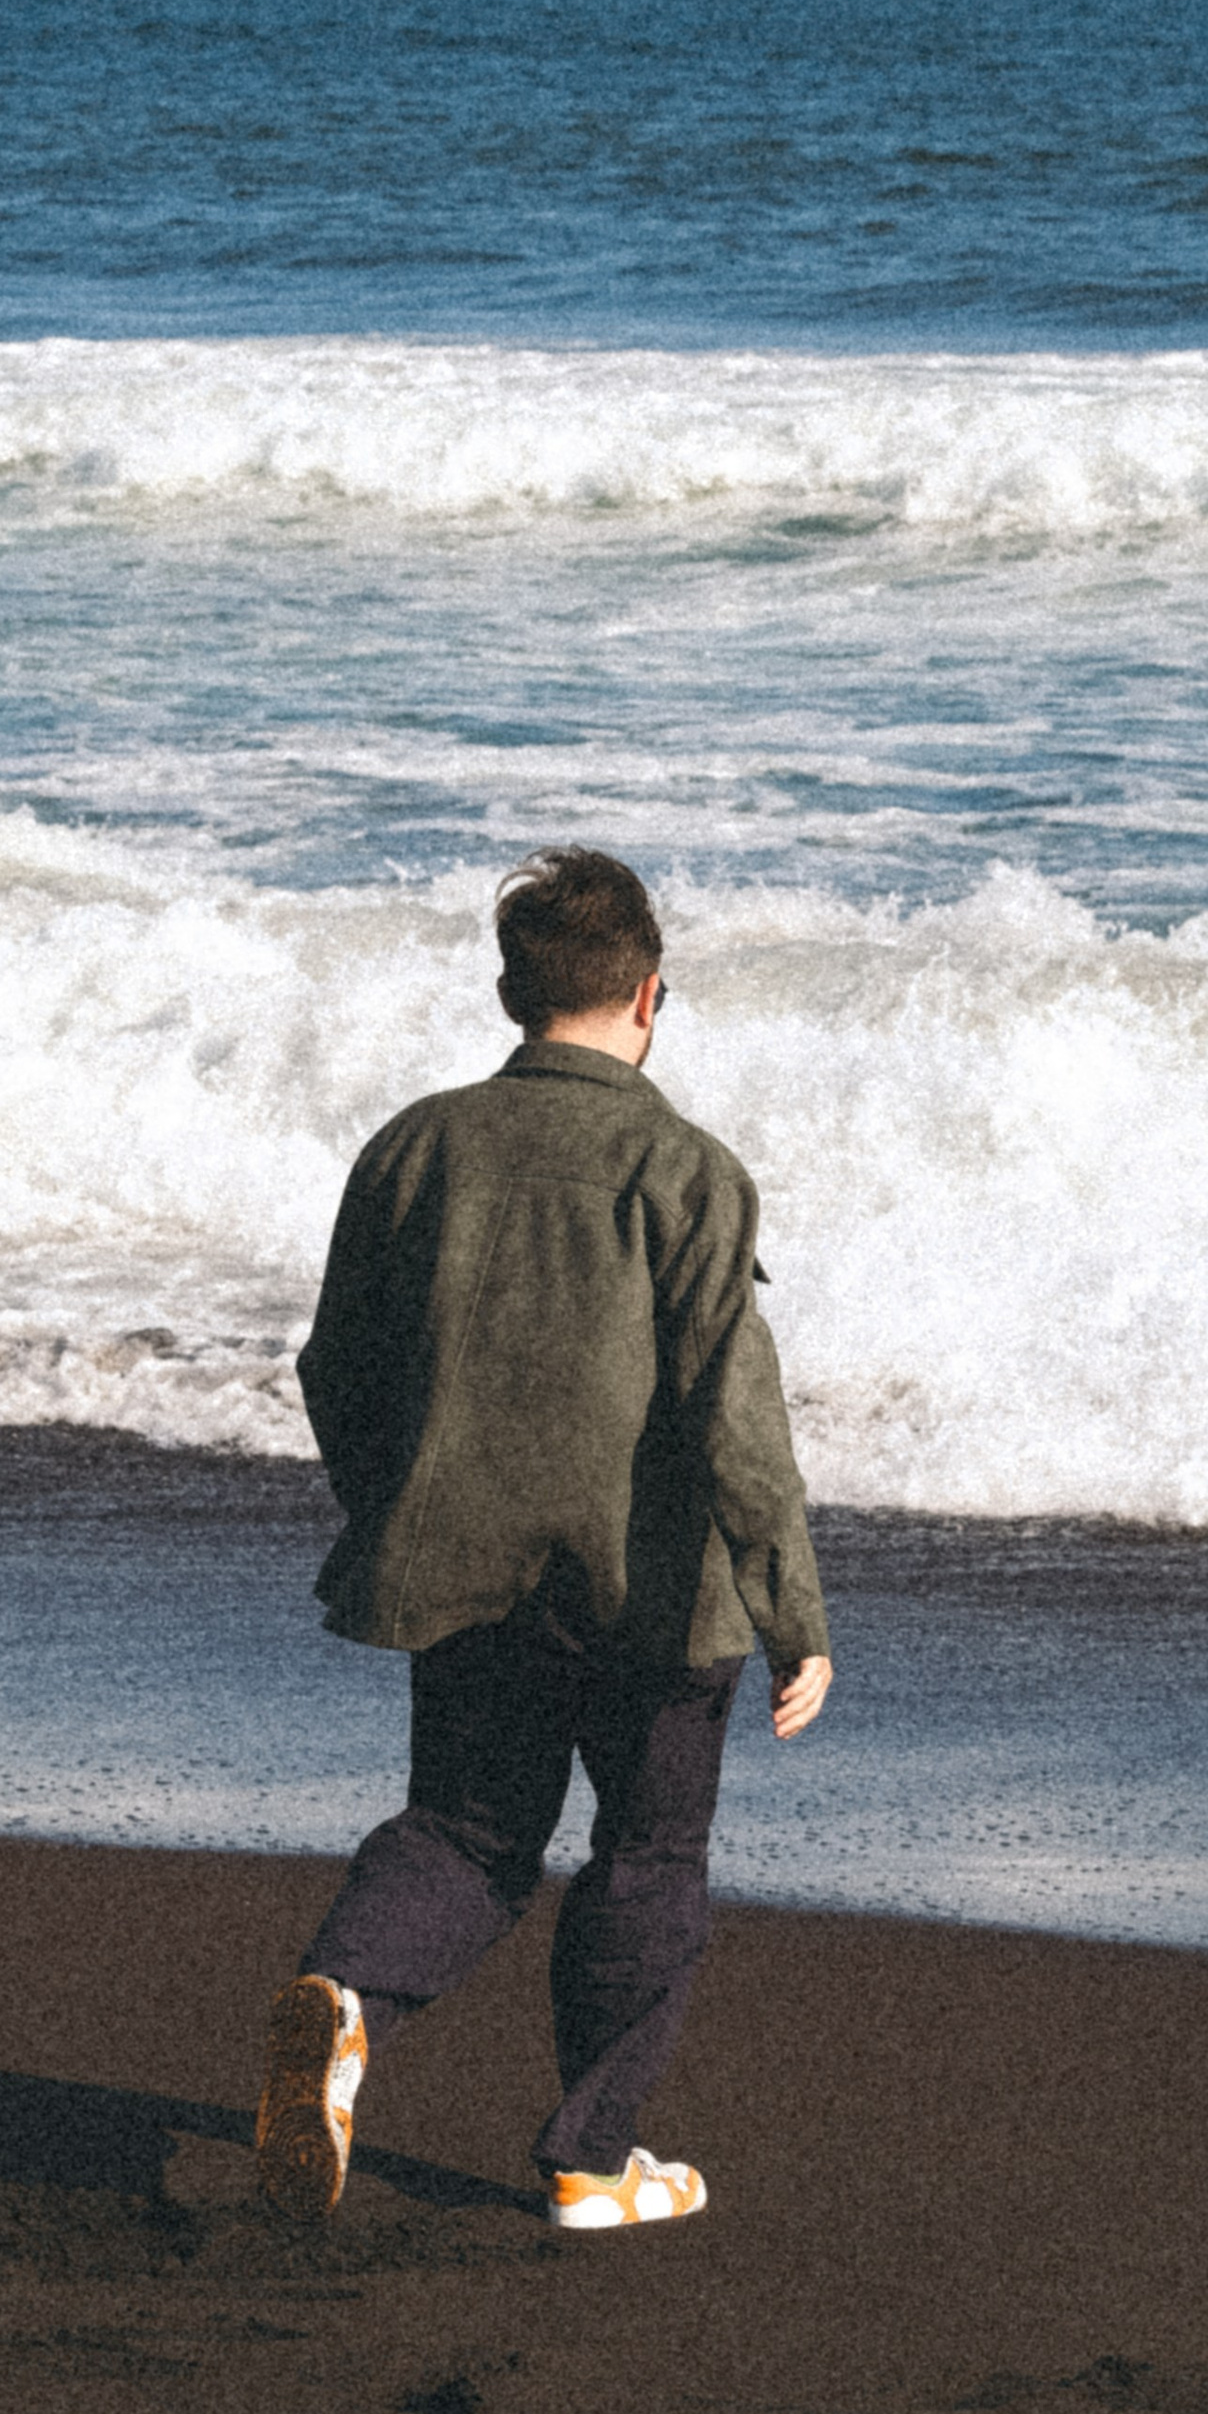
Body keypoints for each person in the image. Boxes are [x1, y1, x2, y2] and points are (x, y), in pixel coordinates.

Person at [255, 846, 833, 2234]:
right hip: (648, 1595)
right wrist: (791, 1607)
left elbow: (336, 1366)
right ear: (650, 998)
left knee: (464, 1830)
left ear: (514, 992)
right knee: (645, 1856)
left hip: (462, 1569)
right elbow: (730, 1413)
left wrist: (402, 1507)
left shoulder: (415, 1145)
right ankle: (591, 2158)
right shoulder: (684, 1166)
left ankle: (339, 2000)